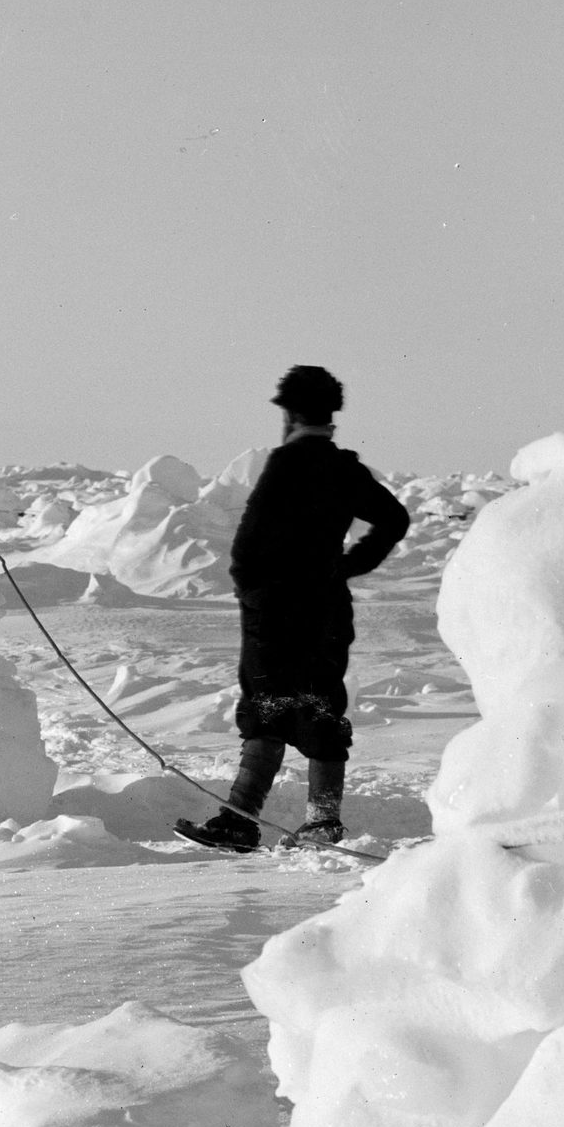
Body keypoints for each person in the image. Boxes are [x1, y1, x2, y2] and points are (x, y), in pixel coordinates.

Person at [179, 365, 411, 852]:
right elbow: (395, 518)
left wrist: (254, 593)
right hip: (326, 609)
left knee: (267, 708)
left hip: (276, 612)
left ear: (288, 413)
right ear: (331, 416)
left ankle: (240, 821)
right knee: (321, 706)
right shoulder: (344, 468)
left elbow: (247, 547)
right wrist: (347, 567)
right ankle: (322, 823)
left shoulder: (286, 463)